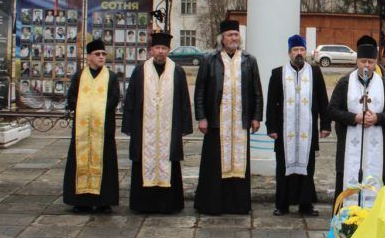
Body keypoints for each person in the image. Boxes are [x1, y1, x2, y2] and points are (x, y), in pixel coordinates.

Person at [194, 20, 263, 215]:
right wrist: (201, 117)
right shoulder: (210, 59)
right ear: (221, 39)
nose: (234, 38)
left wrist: (256, 117)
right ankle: (212, 204)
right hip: (216, 123)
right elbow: (200, 91)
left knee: (239, 164)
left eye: (236, 34)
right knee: (214, 164)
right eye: (230, 35)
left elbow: (257, 91)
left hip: (240, 123)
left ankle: (238, 205)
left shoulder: (249, 60)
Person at [328, 35, 385, 207]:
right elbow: (332, 110)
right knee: (346, 181)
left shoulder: (384, 84)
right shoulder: (345, 83)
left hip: (377, 147)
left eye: (370, 62)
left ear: (375, 62)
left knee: (377, 182)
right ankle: (345, 219)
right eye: (363, 62)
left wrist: (378, 118)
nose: (367, 65)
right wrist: (353, 117)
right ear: (357, 61)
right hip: (349, 147)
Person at [122, 31, 193, 214]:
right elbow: (131, 98)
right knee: (143, 161)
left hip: (169, 129)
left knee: (168, 161)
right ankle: (143, 204)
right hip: (144, 129)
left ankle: (169, 205)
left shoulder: (177, 71)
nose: (160, 51)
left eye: (164, 48)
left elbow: (184, 99)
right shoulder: (140, 70)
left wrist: (185, 125)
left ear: (168, 50)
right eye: (157, 48)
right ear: (151, 50)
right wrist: (128, 124)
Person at [266, 35, 330, 217]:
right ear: (289, 53)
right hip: (284, 131)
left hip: (307, 131)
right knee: (282, 168)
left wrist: (325, 125)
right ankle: (282, 205)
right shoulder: (278, 73)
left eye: (302, 50)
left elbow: (323, 100)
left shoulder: (315, 73)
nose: (299, 53)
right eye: (295, 50)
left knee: (308, 168)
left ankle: (306, 205)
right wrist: (271, 127)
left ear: (306, 52)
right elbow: (271, 103)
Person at [64, 39, 121, 213]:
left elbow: (114, 98)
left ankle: (104, 201)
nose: (101, 57)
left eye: (103, 54)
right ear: (89, 57)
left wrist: (97, 107)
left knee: (105, 162)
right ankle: (81, 202)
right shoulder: (79, 76)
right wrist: (84, 106)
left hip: (103, 129)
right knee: (80, 161)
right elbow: (71, 98)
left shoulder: (111, 77)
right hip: (82, 130)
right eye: (97, 54)